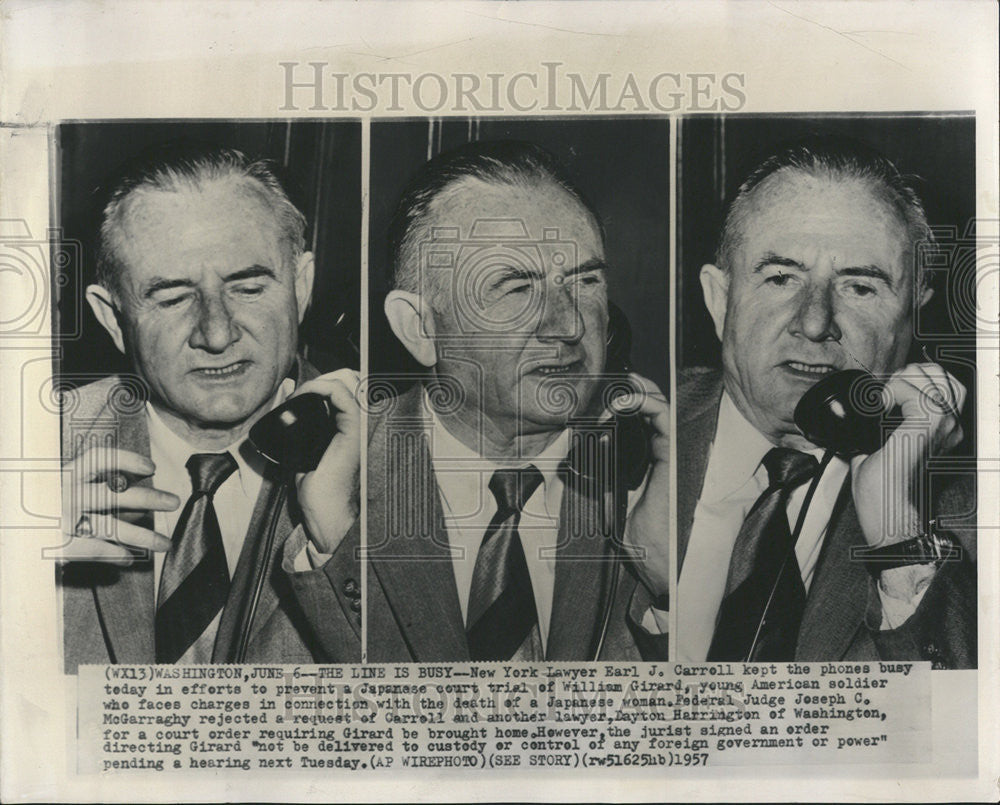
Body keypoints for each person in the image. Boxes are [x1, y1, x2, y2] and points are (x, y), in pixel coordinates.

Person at [362, 140, 672, 661]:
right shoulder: (334, 477)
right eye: (515, 287)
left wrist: (670, 583)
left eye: (586, 281)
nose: (571, 325)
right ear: (419, 327)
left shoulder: (657, 487)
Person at [57, 145, 361, 669]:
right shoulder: (33, 455)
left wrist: (343, 543)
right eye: (174, 298)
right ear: (112, 318)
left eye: (247, 287)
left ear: (302, 286)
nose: (217, 334)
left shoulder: (403, 457)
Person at [677, 135, 976, 666]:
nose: (814, 323)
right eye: (781, 278)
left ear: (914, 315)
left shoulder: (973, 513)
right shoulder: (617, 448)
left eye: (860, 287)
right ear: (718, 298)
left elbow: (955, 731)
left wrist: (897, 531)